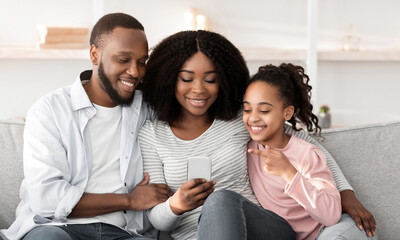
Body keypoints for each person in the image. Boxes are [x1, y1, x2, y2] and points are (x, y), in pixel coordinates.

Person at [139, 30, 376, 239]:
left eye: (211, 79)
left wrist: (347, 195)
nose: (199, 89)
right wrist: (176, 205)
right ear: (169, 78)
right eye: (187, 79)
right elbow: (157, 220)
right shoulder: (153, 135)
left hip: (262, 229)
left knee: (220, 198)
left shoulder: (239, 119)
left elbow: (303, 144)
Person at [0, 13, 171, 240]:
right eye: (123, 59)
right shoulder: (49, 111)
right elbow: (47, 199)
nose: (135, 72)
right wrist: (129, 200)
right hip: (57, 229)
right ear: (95, 55)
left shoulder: (149, 111)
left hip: (124, 233)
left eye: (141, 62)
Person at [199, 63, 377, 240]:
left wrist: (289, 173)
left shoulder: (306, 154)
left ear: (287, 113)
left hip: (320, 233)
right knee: (220, 198)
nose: (253, 118)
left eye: (264, 110)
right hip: (277, 230)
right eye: (247, 109)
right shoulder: (246, 148)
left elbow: (331, 215)